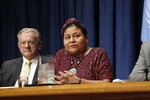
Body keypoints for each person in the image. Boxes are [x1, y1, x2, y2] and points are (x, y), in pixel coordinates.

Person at [54, 18, 114, 84]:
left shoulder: (98, 54)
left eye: (77, 36)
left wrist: (79, 81)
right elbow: (50, 80)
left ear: (86, 38)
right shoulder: (60, 55)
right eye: (67, 37)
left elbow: (107, 84)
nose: (72, 40)